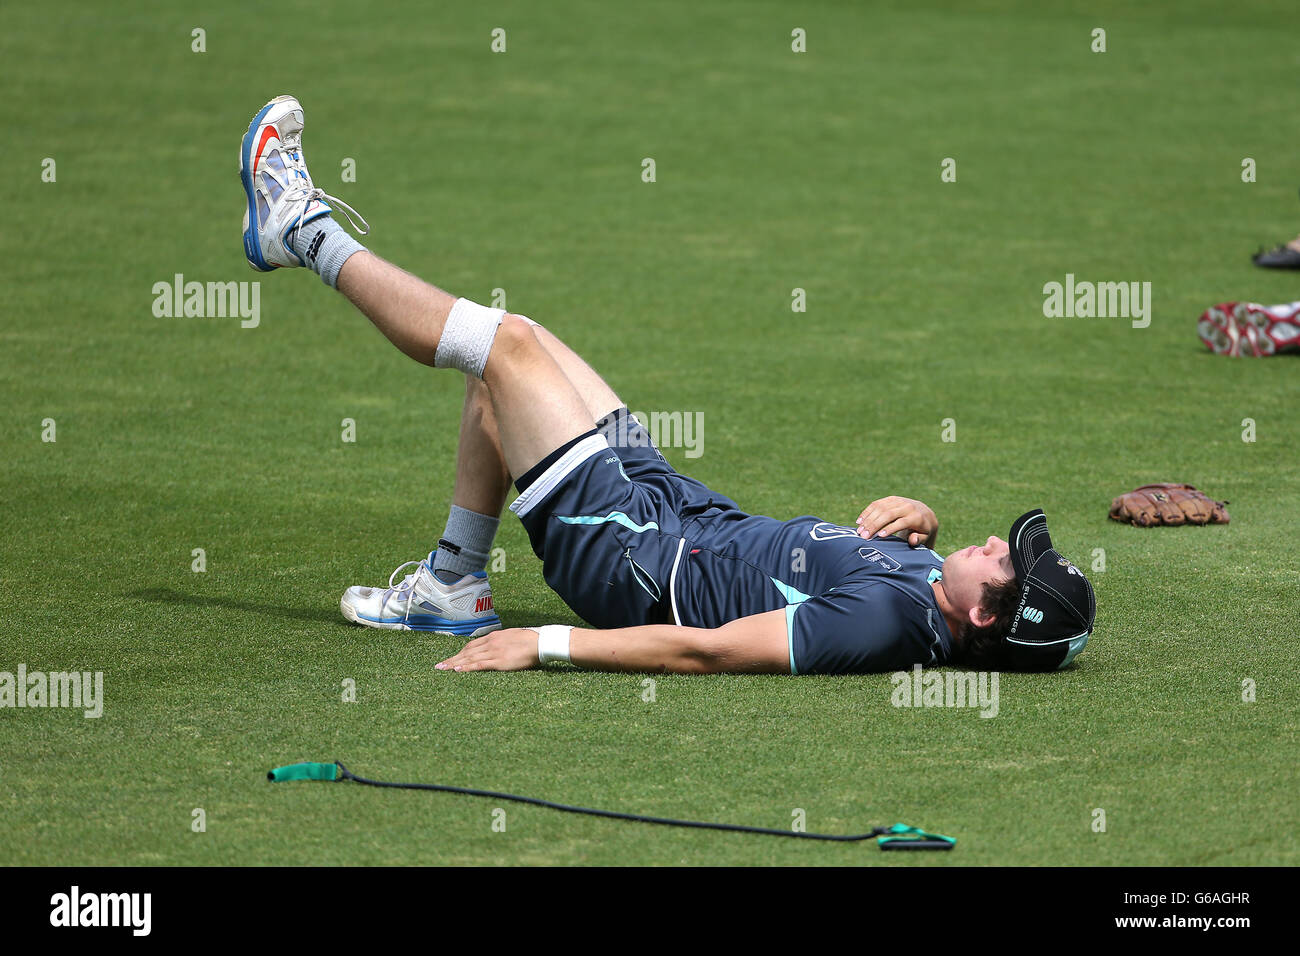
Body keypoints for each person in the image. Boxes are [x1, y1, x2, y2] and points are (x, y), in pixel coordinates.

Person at [239, 96, 1096, 676]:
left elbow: (713, 651)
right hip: (677, 508)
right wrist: (928, 527)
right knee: (510, 361)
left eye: (1000, 560)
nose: (992, 542)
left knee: (509, 349)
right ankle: (454, 586)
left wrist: (544, 643)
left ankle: (299, 230)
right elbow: (879, 567)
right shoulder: (933, 594)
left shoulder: (882, 627)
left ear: (984, 617)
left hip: (632, 558)